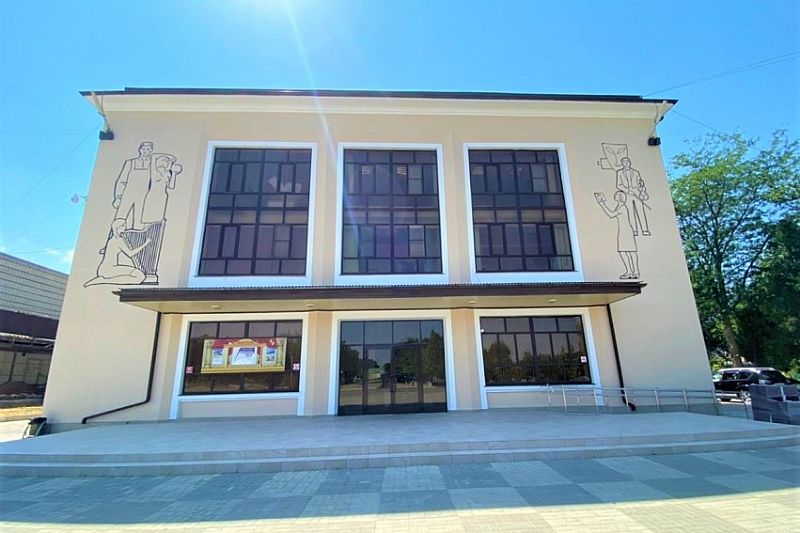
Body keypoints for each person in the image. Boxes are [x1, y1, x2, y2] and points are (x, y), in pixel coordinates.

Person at [84, 219, 152, 287]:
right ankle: (103, 280)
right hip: (109, 270)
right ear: (117, 228)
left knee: (139, 276)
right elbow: (130, 254)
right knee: (140, 277)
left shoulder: (113, 239)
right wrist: (145, 244)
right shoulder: (118, 240)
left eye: (125, 226)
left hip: (105, 269)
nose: (125, 228)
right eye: (123, 226)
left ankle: (104, 280)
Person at [595, 191, 640, 279]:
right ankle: (630, 271)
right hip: (623, 231)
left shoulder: (622, 207)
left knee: (630, 252)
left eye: (616, 195)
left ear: (620, 197)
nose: (614, 195)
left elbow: (611, 214)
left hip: (626, 231)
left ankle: (635, 272)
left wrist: (602, 204)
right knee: (624, 252)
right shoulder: (620, 206)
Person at [614, 157, 651, 236]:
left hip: (637, 193)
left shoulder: (636, 172)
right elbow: (619, 185)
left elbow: (640, 183)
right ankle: (634, 231)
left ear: (630, 163)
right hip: (627, 195)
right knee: (630, 213)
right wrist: (627, 191)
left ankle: (645, 230)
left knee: (640, 211)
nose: (626, 164)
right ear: (622, 164)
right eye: (624, 162)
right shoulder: (619, 172)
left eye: (627, 162)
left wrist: (640, 187)